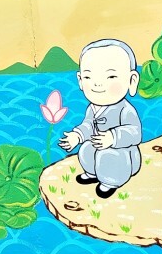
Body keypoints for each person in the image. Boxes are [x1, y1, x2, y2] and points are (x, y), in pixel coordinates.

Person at [58, 39, 142, 198]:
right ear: (80, 80)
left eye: (111, 76)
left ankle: (111, 181)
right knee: (86, 149)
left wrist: (113, 138)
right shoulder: (92, 108)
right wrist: (78, 135)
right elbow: (88, 125)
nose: (97, 84)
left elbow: (135, 132)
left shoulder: (125, 110)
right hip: (98, 145)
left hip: (124, 153)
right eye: (88, 77)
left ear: (132, 80)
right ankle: (92, 172)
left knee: (109, 156)